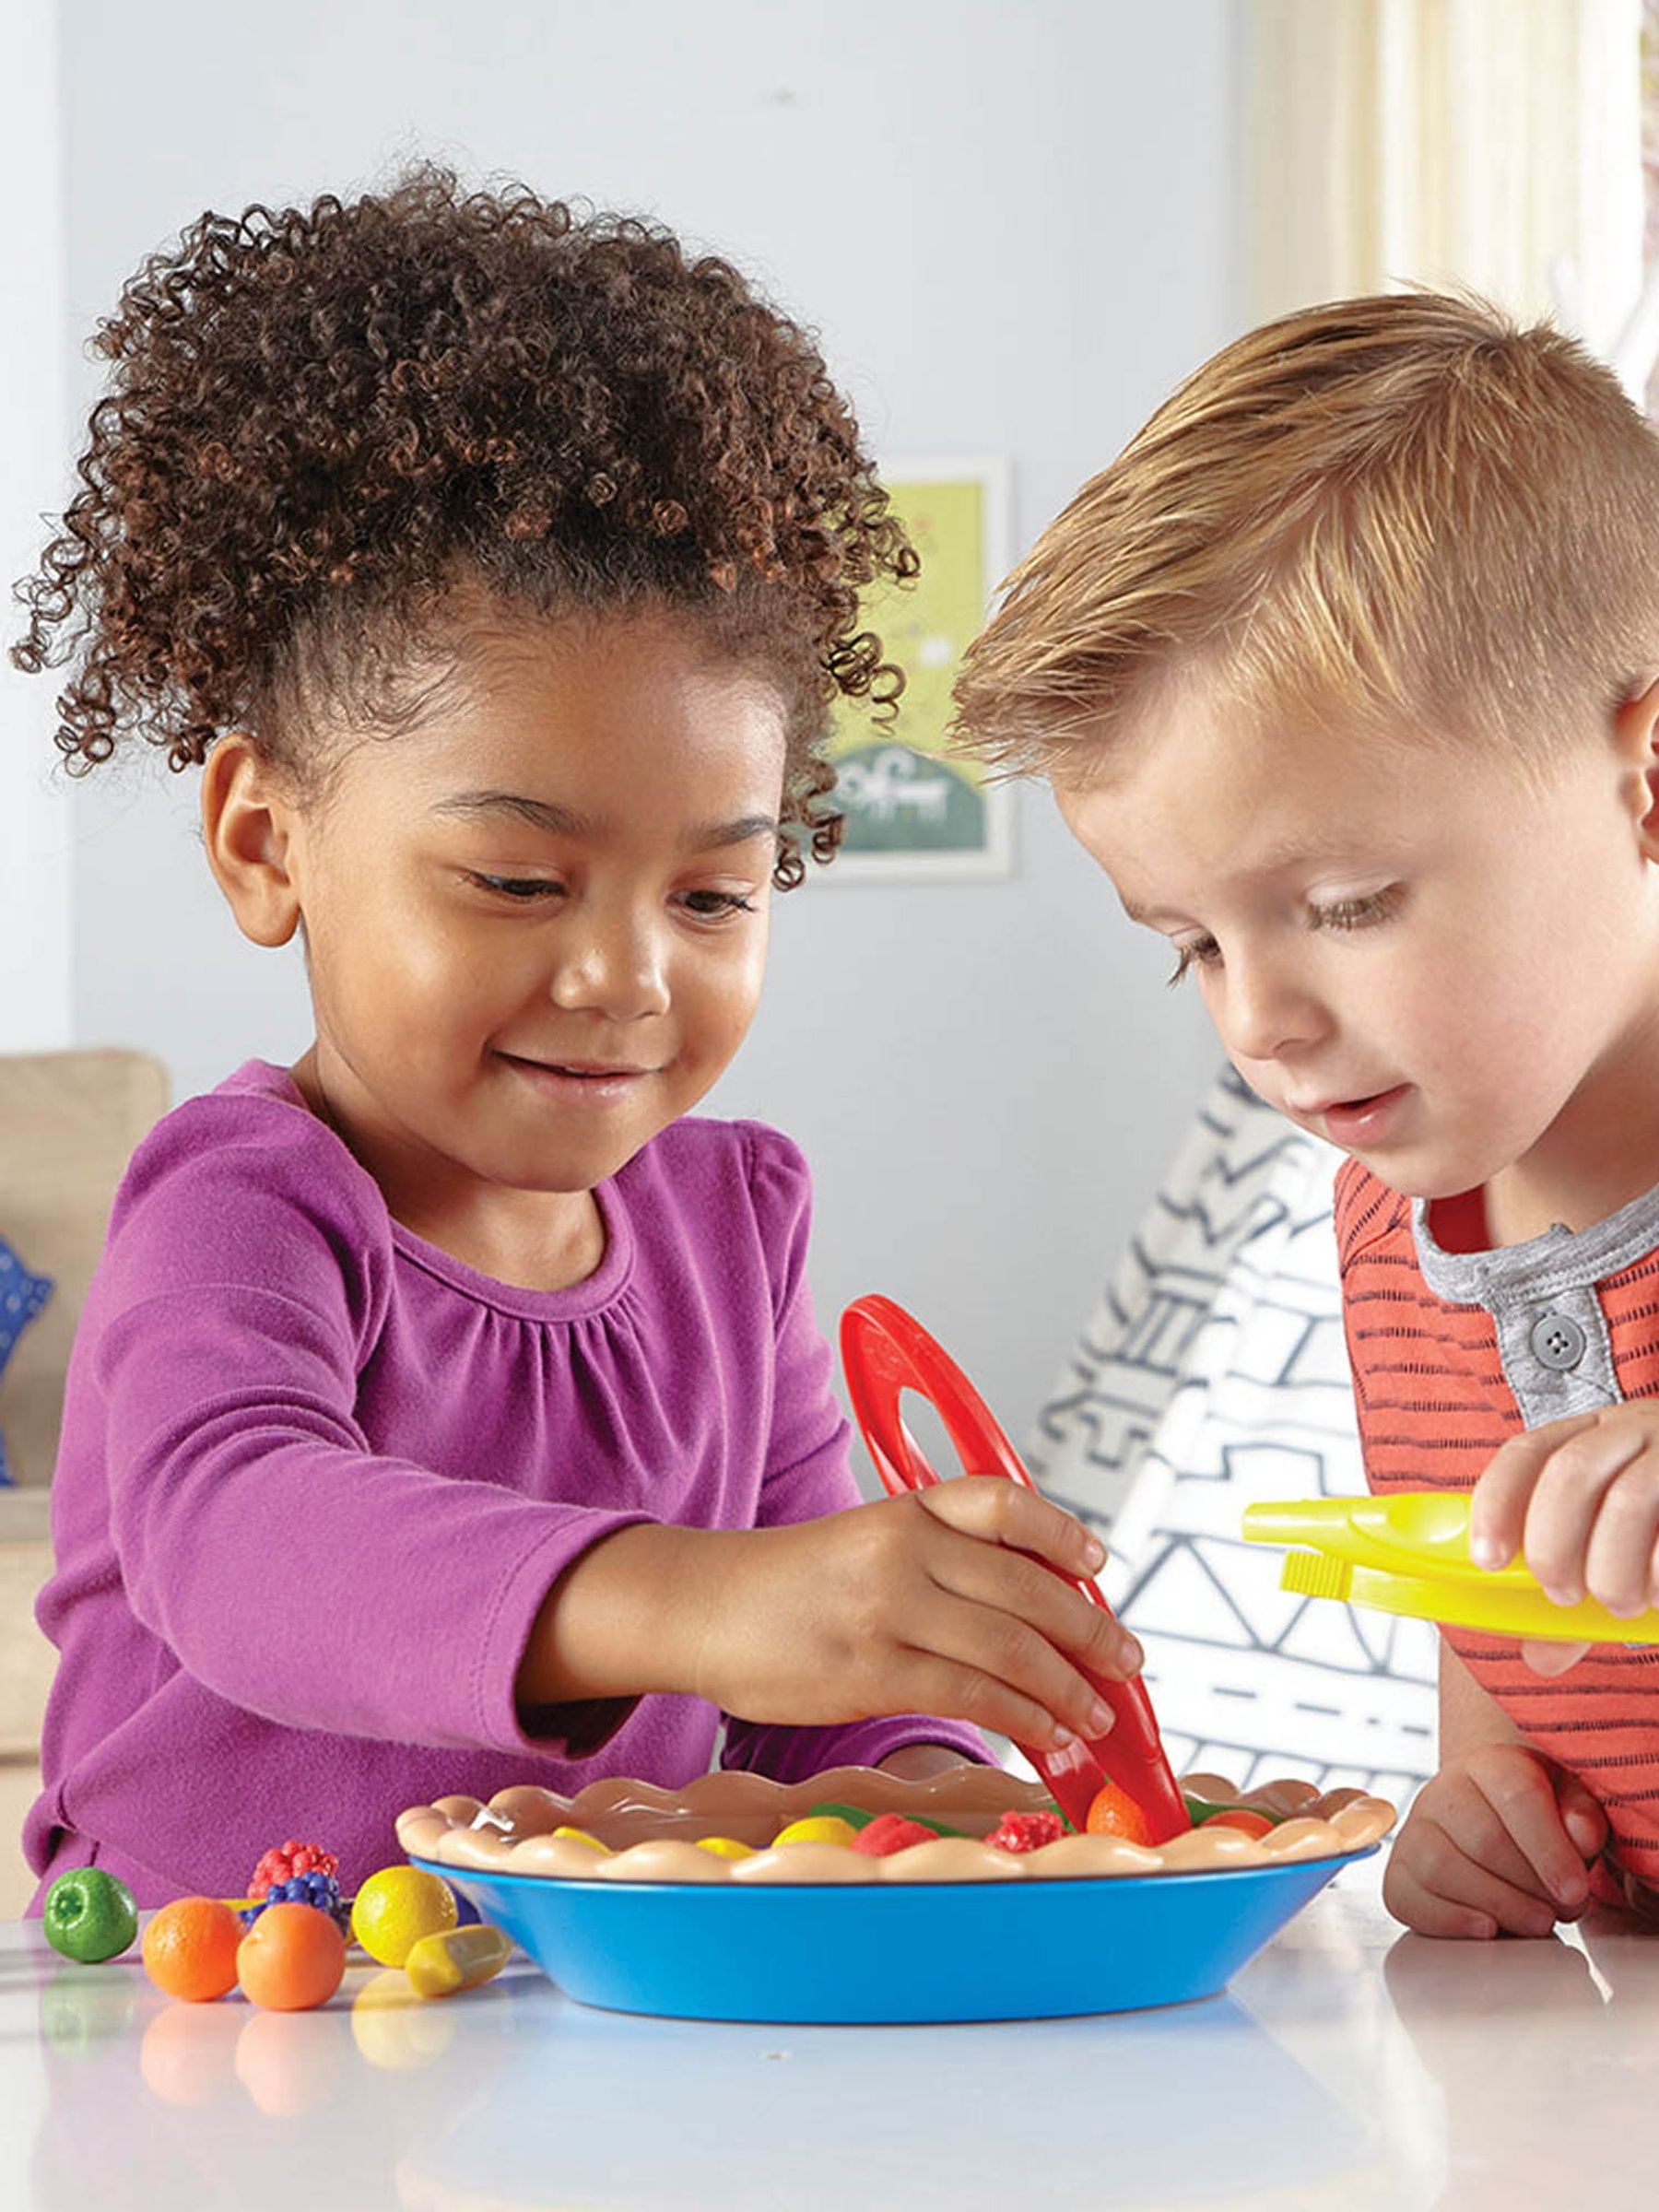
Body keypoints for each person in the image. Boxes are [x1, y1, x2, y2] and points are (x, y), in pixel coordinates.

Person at [12, 169, 1140, 1908]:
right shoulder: (246, 1203)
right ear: (265, 841)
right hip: (222, 2005)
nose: (625, 976)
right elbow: (235, 1538)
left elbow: (809, 1699)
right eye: (519, 882)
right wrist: (710, 1602)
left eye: (714, 897)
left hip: (581, 2008)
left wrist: (937, 1777)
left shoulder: (733, 1228)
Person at [951, 290, 1659, 1941]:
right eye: (1192, 945)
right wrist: (1489, 1810)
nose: (1257, 1022)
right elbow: (1503, 1640)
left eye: (1345, 906)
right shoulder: (1388, 1219)